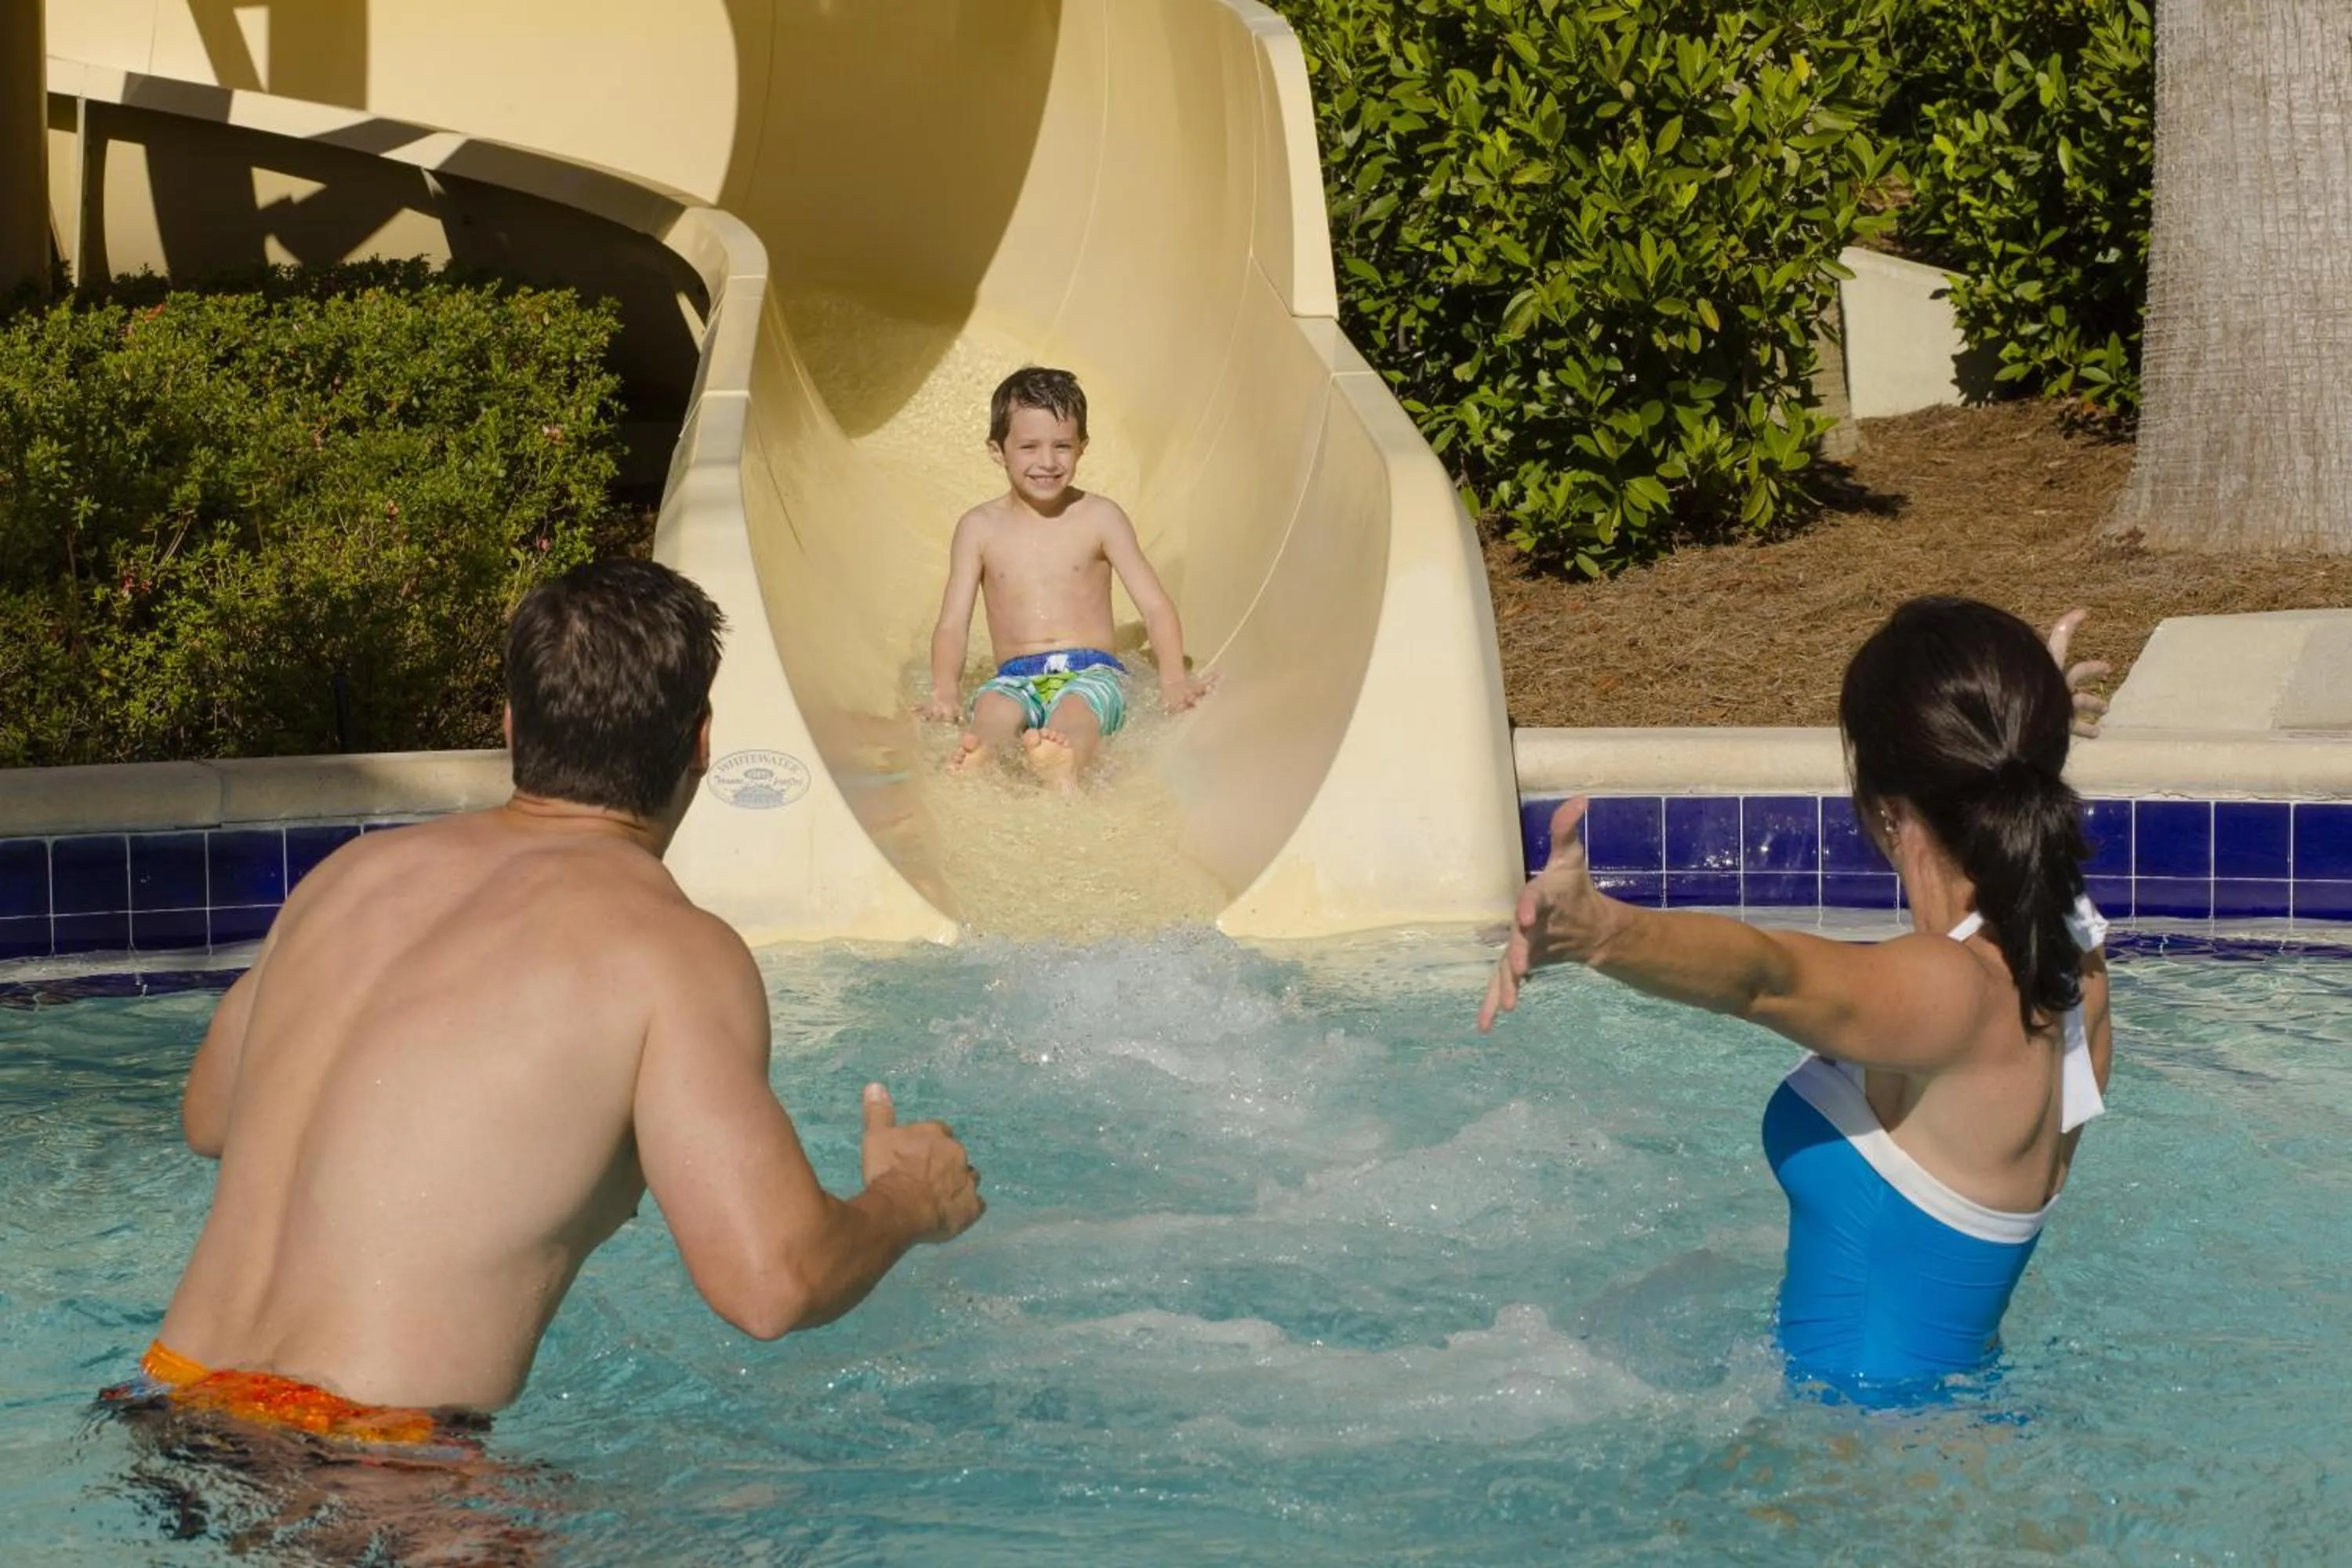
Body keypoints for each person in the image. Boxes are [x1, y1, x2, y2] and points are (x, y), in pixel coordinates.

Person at [108, 559, 985, 1465]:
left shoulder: (347, 880)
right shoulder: (669, 947)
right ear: (701, 741)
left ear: (512, 723)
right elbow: (773, 1279)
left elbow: (209, 1117)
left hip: (165, 1417)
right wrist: (907, 1199)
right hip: (379, 1469)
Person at [1479, 597, 2114, 1404]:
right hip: (1957, 1446)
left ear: (1884, 803)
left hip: (1863, 1473)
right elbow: (2035, 858)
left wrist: (1603, 930)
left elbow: (1768, 973)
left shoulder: (1954, 994)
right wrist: (2025, 735)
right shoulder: (2074, 964)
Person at [920, 366, 1211, 794]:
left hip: (1091, 669)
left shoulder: (1100, 518)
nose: (1048, 462)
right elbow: (952, 623)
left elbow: (1153, 604)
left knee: (1079, 711)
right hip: (1014, 674)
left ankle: (1067, 759)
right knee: (995, 707)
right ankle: (984, 751)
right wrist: (945, 690)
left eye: (1062, 446)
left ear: (1082, 447)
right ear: (998, 451)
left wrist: (1172, 679)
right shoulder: (978, 528)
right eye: (1029, 447)